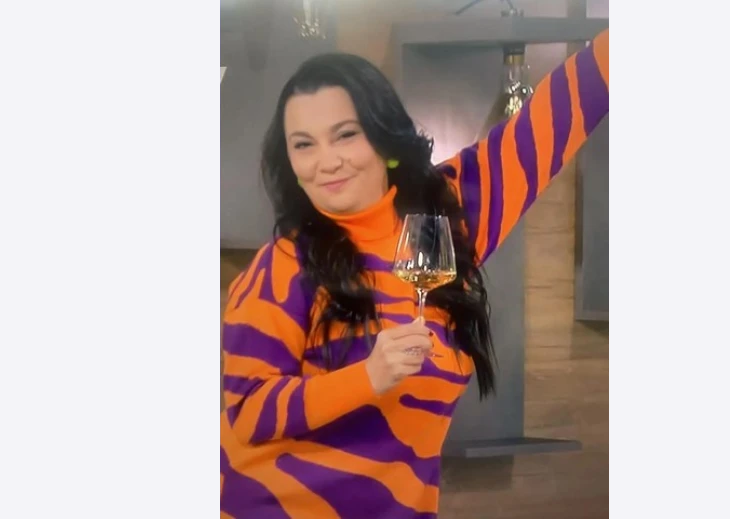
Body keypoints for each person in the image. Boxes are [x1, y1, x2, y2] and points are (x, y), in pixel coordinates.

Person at [220, 28, 610, 519]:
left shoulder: (442, 219)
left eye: (346, 134)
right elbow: (248, 410)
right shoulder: (282, 265)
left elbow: (559, 114)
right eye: (304, 145)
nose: (326, 162)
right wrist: (368, 376)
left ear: (383, 137)